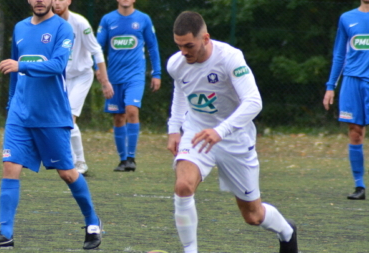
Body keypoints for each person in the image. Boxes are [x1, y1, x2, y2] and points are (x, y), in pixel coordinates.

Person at [166, 11, 298, 253]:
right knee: (183, 186)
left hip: (235, 137)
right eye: (179, 46)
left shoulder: (230, 58)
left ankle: (287, 232)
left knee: (253, 216)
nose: (183, 52)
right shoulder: (176, 64)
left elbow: (254, 101)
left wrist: (221, 130)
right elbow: (180, 93)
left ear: (206, 38)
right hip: (196, 132)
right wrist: (174, 128)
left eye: (189, 45)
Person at [0, 0, 102, 249]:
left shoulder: (63, 28)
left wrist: (21, 65)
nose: (40, 0)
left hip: (51, 116)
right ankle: (5, 232)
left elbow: (56, 65)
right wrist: (12, 103)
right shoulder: (20, 28)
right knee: (10, 166)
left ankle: (92, 221)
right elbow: (13, 71)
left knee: (67, 173)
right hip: (19, 114)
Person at [96, 0, 161, 172]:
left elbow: (153, 47)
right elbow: (97, 48)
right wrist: (99, 70)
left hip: (135, 76)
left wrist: (156, 73)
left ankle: (131, 158)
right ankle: (123, 160)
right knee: (118, 117)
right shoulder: (107, 19)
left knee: (131, 110)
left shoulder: (143, 19)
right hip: (114, 78)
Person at [53, 0, 114, 175]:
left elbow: (96, 50)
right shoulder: (48, 24)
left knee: (68, 118)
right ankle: (73, 161)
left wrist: (105, 81)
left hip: (81, 76)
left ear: (69, 1)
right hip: (61, 78)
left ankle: (80, 162)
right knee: (60, 121)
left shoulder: (80, 23)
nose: (57, 2)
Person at [323, 0, 369, 200]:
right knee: (355, 133)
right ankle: (360, 187)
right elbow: (339, 54)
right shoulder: (347, 18)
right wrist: (330, 86)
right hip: (352, 81)